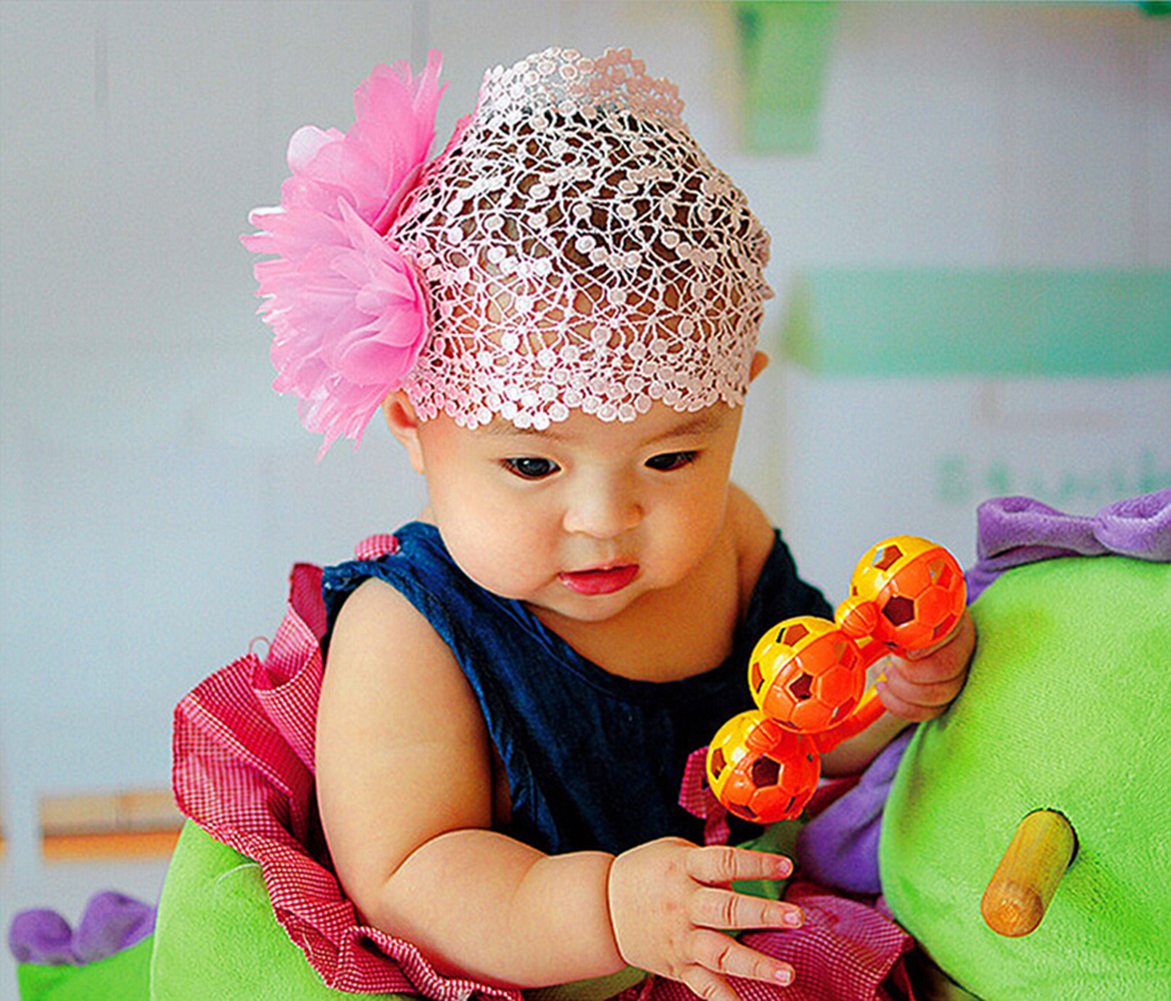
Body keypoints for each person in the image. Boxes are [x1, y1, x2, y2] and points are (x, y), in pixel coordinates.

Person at [243, 47, 975, 1001]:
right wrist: (604, 907)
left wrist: (886, 695)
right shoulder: (407, 631)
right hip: (542, 975)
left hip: (737, 944)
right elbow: (405, 878)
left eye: (670, 460)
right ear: (414, 425)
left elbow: (794, 739)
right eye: (532, 465)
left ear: (736, 403)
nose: (603, 519)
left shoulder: (726, 541)